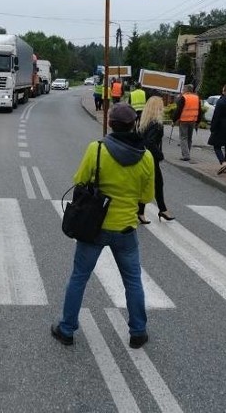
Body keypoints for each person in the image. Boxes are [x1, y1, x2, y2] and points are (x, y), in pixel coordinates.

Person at [52, 104, 154, 349]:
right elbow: (146, 197)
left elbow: (80, 180)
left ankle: (66, 329)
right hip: (126, 229)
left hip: (94, 227)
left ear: (110, 124)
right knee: (132, 281)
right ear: (134, 125)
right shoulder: (146, 156)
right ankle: (138, 332)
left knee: (79, 277)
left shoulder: (97, 149)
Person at [137, 96, 174, 223]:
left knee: (146, 184)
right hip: (151, 158)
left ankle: (141, 212)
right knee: (158, 184)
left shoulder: (143, 122)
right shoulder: (156, 124)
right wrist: (160, 155)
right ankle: (161, 210)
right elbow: (150, 142)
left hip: (141, 156)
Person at [172, 84, 202, 161]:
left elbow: (178, 110)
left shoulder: (183, 97)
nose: (183, 90)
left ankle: (186, 155)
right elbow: (200, 111)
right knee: (189, 138)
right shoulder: (196, 98)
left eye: (184, 89)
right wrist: (198, 121)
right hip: (192, 121)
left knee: (183, 138)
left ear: (186, 90)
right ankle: (187, 153)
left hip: (184, 120)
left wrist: (174, 120)